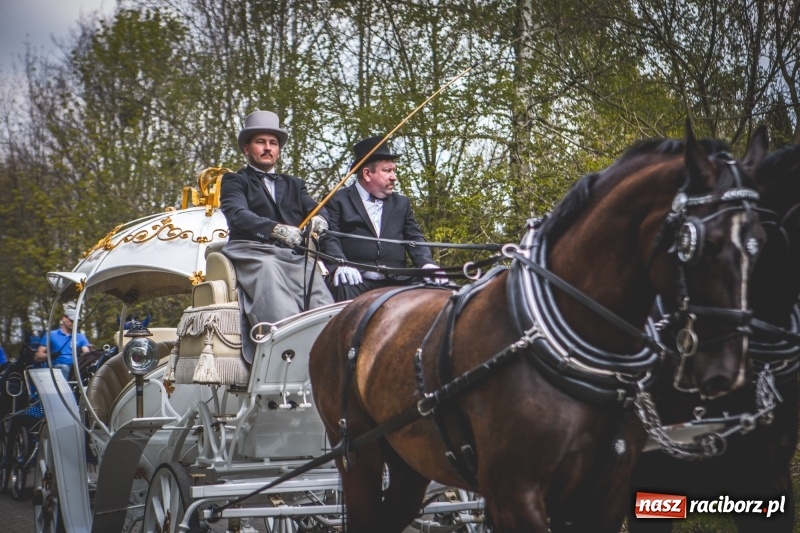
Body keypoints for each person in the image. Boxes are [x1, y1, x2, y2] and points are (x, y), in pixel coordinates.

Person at [220, 110, 333, 362]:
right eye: (261, 142)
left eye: (273, 143)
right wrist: (276, 229)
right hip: (251, 252)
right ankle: (284, 343)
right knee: (269, 270)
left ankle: (326, 340)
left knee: (312, 276)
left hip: (291, 256)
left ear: (279, 150)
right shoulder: (234, 181)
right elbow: (237, 214)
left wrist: (319, 219)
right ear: (247, 149)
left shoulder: (295, 184)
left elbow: (317, 208)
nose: (268, 148)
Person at [321, 135, 446, 302]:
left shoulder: (402, 203)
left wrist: (426, 264)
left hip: (397, 281)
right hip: (357, 280)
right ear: (367, 173)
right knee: (342, 283)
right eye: (387, 171)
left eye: (394, 170)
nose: (394, 177)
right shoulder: (337, 201)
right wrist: (340, 263)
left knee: (437, 285)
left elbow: (414, 238)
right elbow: (329, 237)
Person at [35, 305, 90, 381]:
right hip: (57, 369)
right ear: (64, 318)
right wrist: (49, 355)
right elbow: (37, 356)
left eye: (76, 321)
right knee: (64, 368)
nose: (74, 323)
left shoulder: (81, 337)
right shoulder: (51, 335)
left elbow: (87, 354)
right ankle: (68, 391)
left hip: (76, 368)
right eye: (72, 320)